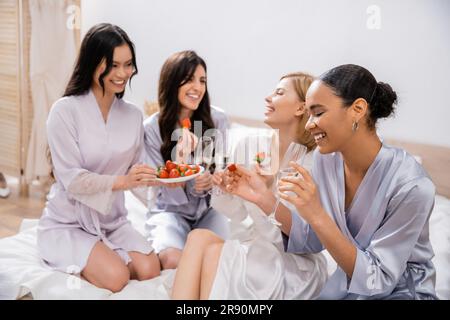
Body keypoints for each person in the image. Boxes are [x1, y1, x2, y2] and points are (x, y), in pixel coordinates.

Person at [278, 64, 437, 299]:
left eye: (318, 112)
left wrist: (317, 213)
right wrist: (260, 195)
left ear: (358, 109)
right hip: (349, 284)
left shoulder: (412, 185)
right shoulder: (326, 159)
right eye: (308, 114)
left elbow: (379, 278)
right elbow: (314, 237)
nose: (309, 124)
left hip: (401, 292)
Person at [171, 72, 328, 300]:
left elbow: (301, 239)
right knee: (198, 237)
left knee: (218, 252)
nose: (268, 97)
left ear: (301, 108)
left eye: (279, 92)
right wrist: (226, 190)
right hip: (258, 248)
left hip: (293, 262)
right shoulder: (251, 145)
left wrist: (262, 197)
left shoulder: (312, 163)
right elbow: (237, 214)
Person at [37, 23, 161, 293]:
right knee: (117, 277)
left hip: (112, 222)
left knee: (151, 270)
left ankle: (106, 255)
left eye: (128, 65)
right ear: (93, 63)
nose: (122, 74)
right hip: (68, 223)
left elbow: (137, 173)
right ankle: (92, 260)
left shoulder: (133, 116)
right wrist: (123, 182)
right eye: (113, 65)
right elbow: (72, 180)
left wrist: (165, 181)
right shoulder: (64, 111)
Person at [143, 50, 230, 270]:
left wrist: (212, 180)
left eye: (202, 81)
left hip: (208, 211)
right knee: (173, 261)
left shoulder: (217, 120)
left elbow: (222, 171)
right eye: (189, 79)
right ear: (172, 82)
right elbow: (170, 196)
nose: (198, 88)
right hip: (170, 212)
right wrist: (179, 160)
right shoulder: (151, 129)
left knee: (218, 262)